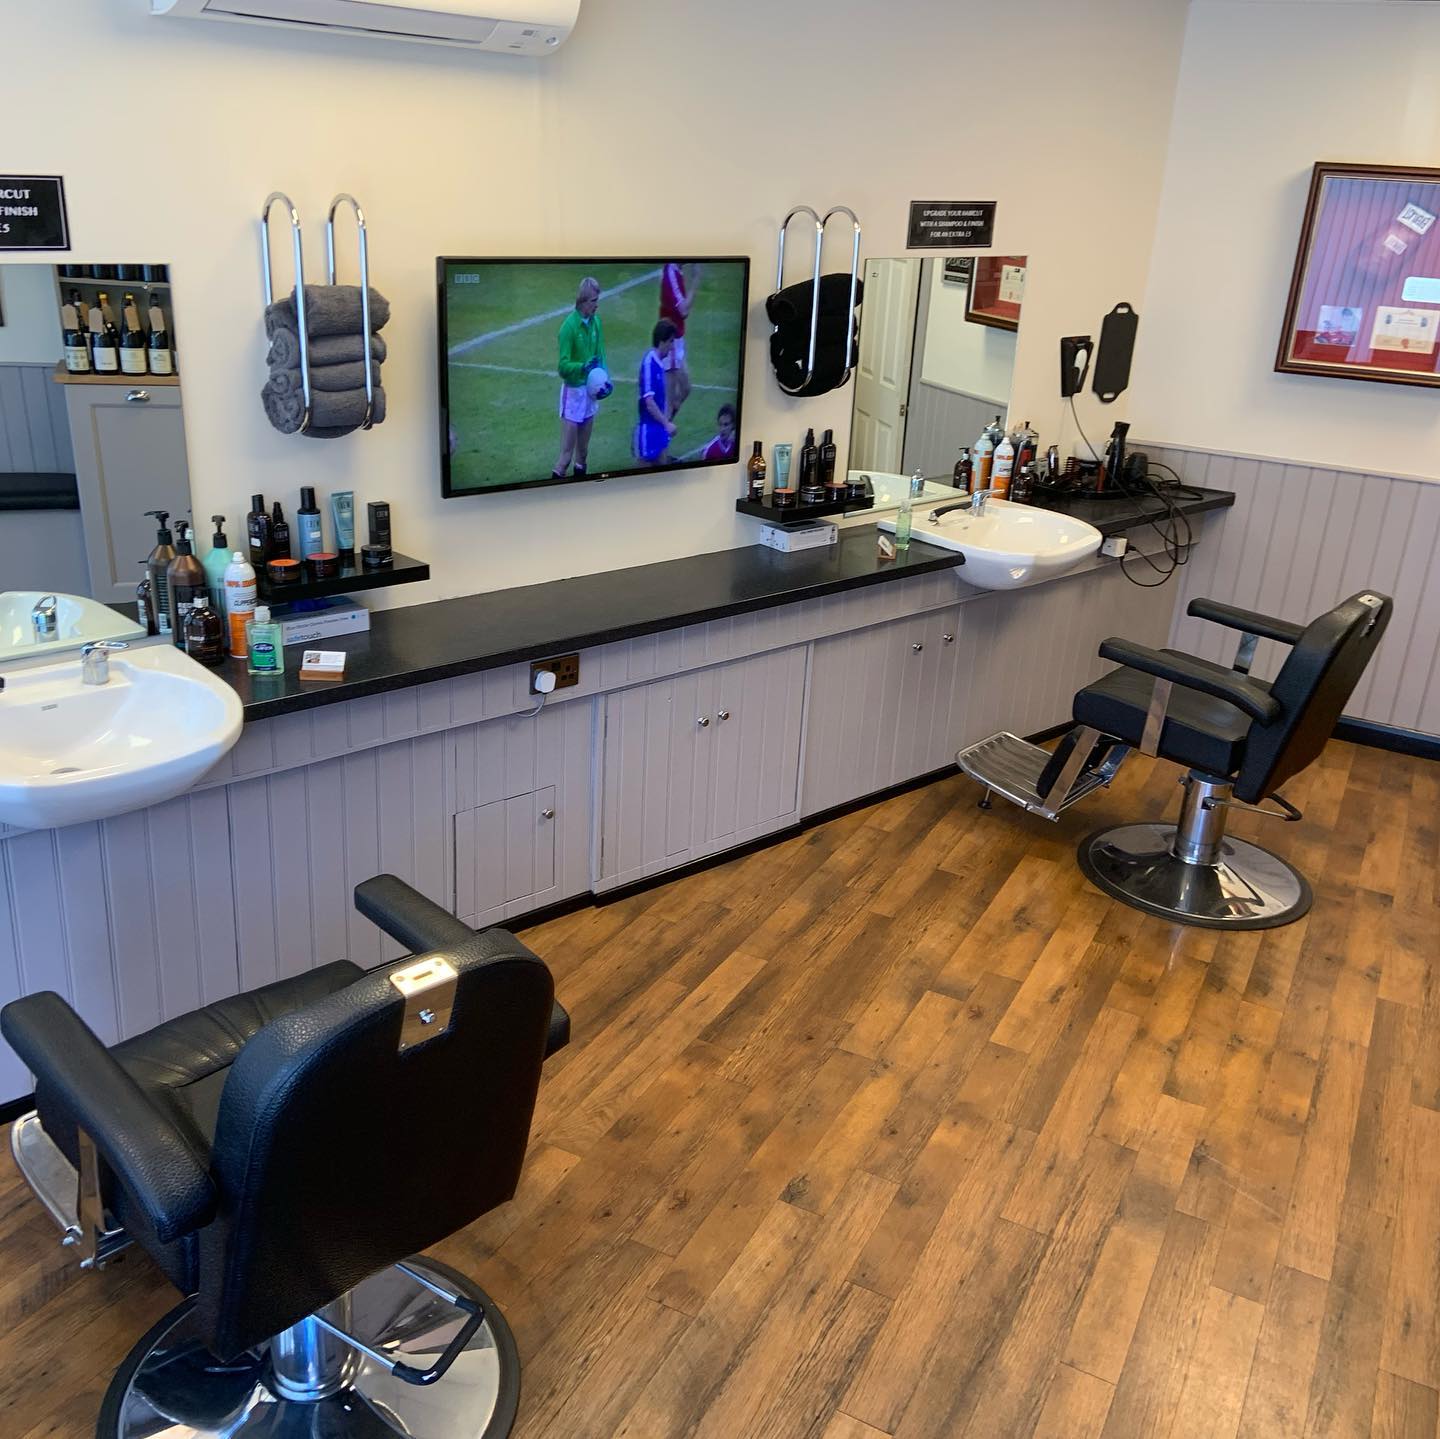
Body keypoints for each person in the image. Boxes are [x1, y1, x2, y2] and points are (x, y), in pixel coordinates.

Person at [552, 276, 607, 480]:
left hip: (590, 393)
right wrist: (582, 367)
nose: (597, 305)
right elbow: (562, 367)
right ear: (583, 301)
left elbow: (600, 355)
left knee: (582, 455)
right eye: (594, 300)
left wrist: (605, 380)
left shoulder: (596, 323)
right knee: (565, 458)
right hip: (574, 394)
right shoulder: (568, 327)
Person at [634, 319, 679, 467]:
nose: (672, 347)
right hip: (649, 431)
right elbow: (649, 402)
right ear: (661, 341)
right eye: (671, 342)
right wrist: (667, 424)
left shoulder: (659, 363)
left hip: (658, 428)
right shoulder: (650, 363)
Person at [659, 261, 699, 420]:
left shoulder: (677, 271)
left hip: (678, 340)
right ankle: (661, 427)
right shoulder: (671, 271)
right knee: (669, 401)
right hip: (670, 342)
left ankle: (663, 424)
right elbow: (683, 310)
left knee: (685, 389)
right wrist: (696, 279)